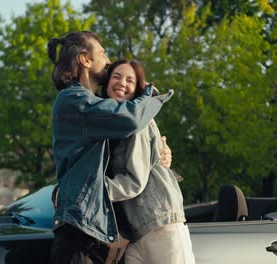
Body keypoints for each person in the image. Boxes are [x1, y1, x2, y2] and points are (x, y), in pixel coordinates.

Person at [47, 31, 174, 264]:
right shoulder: (76, 100)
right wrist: (151, 95)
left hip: (91, 233)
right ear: (85, 60)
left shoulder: (92, 105)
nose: (107, 60)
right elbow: (130, 118)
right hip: (78, 235)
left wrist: (160, 149)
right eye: (102, 54)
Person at [103, 59, 195, 264]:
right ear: (107, 82)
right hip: (135, 232)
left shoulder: (138, 121)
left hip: (160, 223)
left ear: (137, 90)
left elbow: (134, 180)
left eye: (130, 80)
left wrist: (90, 191)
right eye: (116, 77)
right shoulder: (111, 125)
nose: (122, 83)